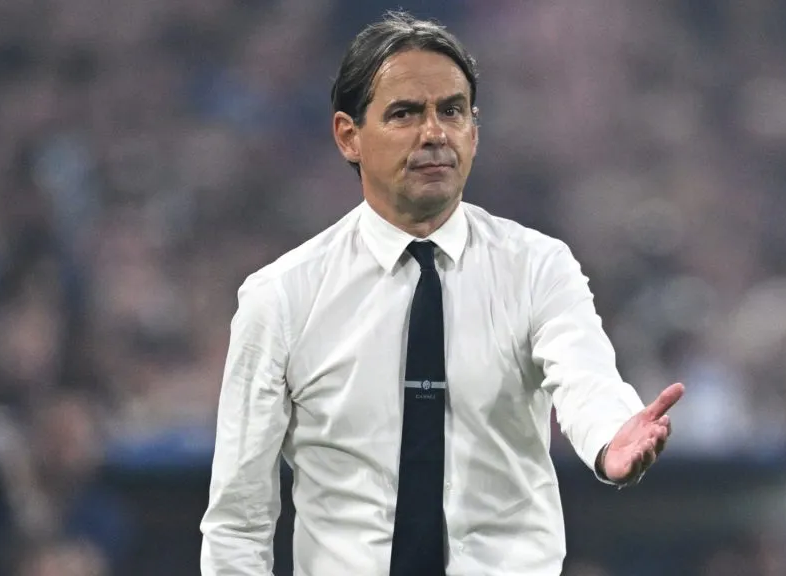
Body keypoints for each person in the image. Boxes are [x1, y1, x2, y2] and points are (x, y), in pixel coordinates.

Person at [200, 11, 684, 576]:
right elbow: (238, 520)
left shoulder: (537, 267)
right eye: (405, 113)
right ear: (348, 135)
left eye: (452, 111)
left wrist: (609, 439)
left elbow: (586, 378)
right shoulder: (280, 298)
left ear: (474, 132)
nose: (435, 133)